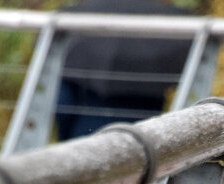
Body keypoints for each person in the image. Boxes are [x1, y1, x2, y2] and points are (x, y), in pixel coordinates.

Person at [55, 0, 193, 141]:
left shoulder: (76, 21)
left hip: (85, 139)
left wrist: (65, 137)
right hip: (145, 141)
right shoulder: (170, 24)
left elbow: (63, 103)